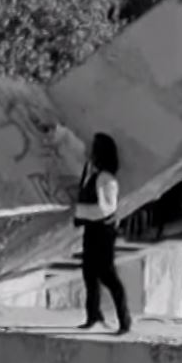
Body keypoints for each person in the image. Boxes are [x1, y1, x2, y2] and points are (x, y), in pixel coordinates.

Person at [74, 132, 131, 334]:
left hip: (103, 231)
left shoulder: (106, 179)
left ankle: (124, 322)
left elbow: (105, 209)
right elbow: (76, 149)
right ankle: (93, 315)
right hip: (92, 229)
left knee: (108, 276)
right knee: (89, 273)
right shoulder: (91, 172)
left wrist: (78, 210)